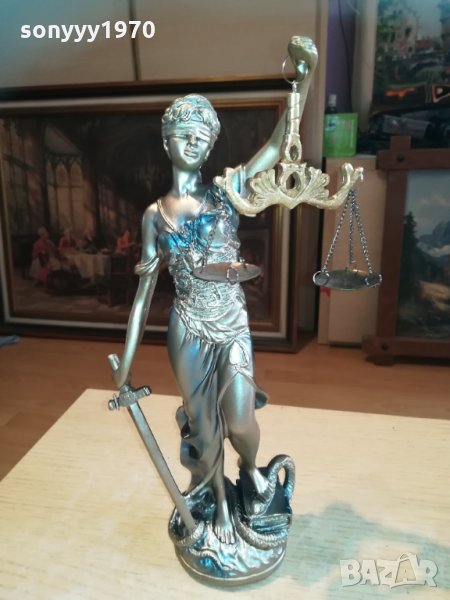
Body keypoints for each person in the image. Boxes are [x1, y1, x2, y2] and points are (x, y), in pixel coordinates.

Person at [112, 41, 317, 545]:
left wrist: (304, 81)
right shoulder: (154, 217)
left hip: (232, 322)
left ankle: (249, 468)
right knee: (204, 430)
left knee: (241, 419)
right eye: (184, 135)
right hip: (187, 330)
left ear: (210, 147)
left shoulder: (227, 192)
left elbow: (276, 148)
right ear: (167, 142)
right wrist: (126, 366)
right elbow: (143, 296)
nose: (194, 143)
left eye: (203, 138)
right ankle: (219, 504)